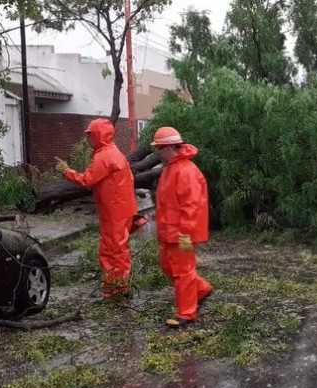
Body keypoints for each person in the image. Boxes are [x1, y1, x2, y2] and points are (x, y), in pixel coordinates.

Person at [56, 118, 137, 299]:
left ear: (99, 135)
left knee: (112, 251)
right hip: (122, 209)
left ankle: (116, 290)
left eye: (90, 135)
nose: (88, 139)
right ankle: (120, 287)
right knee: (119, 250)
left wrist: (66, 171)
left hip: (113, 211)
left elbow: (87, 179)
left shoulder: (104, 156)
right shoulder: (113, 152)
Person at [151, 127, 212, 328]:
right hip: (169, 233)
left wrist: (185, 234)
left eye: (158, 148)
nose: (156, 152)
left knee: (182, 272)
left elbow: (191, 206)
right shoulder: (171, 167)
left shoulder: (185, 170)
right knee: (168, 267)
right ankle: (201, 290)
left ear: (168, 148)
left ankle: (186, 313)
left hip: (181, 234)